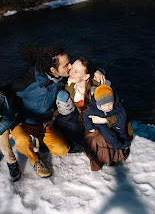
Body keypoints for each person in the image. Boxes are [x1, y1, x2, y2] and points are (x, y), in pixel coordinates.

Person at [10, 44, 105, 178]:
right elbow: (6, 95)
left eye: (69, 62)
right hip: (22, 121)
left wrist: (96, 71)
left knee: (62, 150)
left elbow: (82, 73)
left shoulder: (65, 77)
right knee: (22, 140)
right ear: (53, 69)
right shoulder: (26, 82)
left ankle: (40, 139)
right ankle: (34, 159)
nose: (71, 66)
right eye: (66, 65)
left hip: (44, 122)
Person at [65, 57, 133, 171]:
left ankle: (112, 156)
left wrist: (105, 121)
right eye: (71, 68)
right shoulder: (70, 85)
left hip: (110, 120)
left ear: (86, 76)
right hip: (88, 122)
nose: (70, 72)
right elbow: (57, 71)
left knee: (104, 137)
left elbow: (121, 110)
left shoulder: (101, 87)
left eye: (75, 71)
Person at [83, 84, 131, 169]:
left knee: (121, 133)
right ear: (98, 104)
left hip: (117, 126)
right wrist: (90, 127)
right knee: (108, 135)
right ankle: (114, 146)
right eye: (104, 106)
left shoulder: (118, 105)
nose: (108, 107)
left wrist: (108, 120)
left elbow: (123, 114)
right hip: (101, 125)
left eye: (110, 104)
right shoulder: (93, 109)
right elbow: (87, 117)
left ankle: (122, 147)